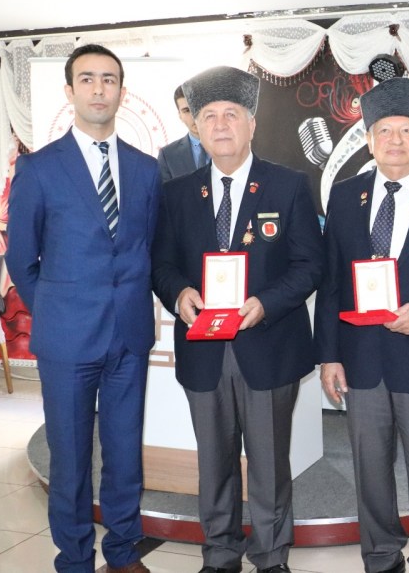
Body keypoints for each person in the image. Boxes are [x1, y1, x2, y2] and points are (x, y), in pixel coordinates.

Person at [151, 66, 324, 573]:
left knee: (269, 464)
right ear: (196, 127)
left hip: (268, 346)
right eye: (209, 116)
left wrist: (266, 303)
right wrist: (179, 292)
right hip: (204, 351)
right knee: (214, 464)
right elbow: (161, 264)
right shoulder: (177, 193)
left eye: (231, 114)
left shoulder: (288, 186)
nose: (220, 125)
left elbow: (310, 264)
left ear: (252, 124)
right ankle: (220, 554)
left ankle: (270, 557)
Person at [6, 43, 160, 573]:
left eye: (109, 79)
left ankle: (122, 552)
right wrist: (57, 312)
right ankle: (73, 560)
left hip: (129, 338)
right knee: (70, 458)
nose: (99, 89)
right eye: (88, 79)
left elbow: (148, 249)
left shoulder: (145, 169)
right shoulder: (39, 169)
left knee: (124, 453)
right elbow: (23, 259)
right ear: (70, 91)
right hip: (67, 340)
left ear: (122, 91)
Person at [315, 77, 409, 573]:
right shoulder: (344, 197)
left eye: (406, 131)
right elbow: (331, 282)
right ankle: (380, 556)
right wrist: (329, 356)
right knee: (370, 471)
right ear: (369, 138)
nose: (395, 140)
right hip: (361, 361)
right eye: (384, 130)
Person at [157, 85, 208, 181]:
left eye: (197, 107)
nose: (194, 116)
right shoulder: (167, 155)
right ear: (180, 115)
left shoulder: (232, 147)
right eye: (187, 110)